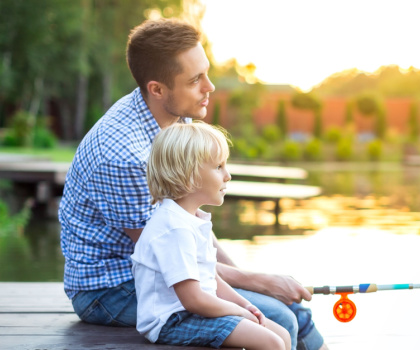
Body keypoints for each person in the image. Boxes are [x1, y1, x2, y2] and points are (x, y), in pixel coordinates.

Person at [58, 18, 326, 350]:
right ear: (157, 88)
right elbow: (170, 253)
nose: (209, 87)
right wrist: (256, 283)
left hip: (168, 272)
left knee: (290, 310)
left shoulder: (175, 116)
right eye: (196, 79)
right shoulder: (124, 157)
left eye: (207, 73)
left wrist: (247, 280)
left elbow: (191, 228)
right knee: (280, 317)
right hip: (111, 289)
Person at [132, 122, 289, 349]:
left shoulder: (191, 219)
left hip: (195, 311)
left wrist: (245, 305)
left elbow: (211, 279)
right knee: (271, 342)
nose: (228, 175)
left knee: (280, 334)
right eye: (219, 167)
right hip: (172, 320)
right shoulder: (173, 228)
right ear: (189, 175)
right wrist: (238, 312)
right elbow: (193, 299)